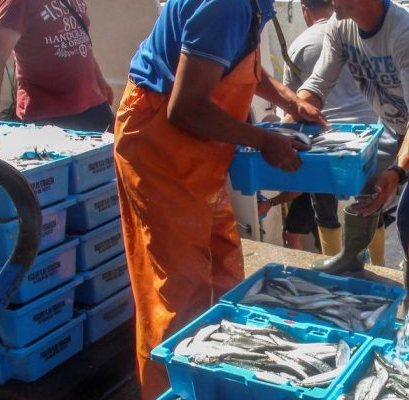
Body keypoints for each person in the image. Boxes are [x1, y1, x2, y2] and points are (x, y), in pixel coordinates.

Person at [113, 0, 326, 397]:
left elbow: (240, 63)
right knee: (177, 291)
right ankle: (169, 390)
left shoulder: (252, 5)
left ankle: (220, 381)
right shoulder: (227, 5)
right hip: (160, 142)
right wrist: (264, 140)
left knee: (225, 268)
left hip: (199, 152)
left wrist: (289, 100)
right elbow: (184, 108)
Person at [297, 0, 409, 287]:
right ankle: (351, 257)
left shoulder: (408, 32)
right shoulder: (340, 25)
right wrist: (287, 127)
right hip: (391, 122)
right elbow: (316, 85)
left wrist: (398, 172)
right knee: (365, 189)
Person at [260, 0, 383, 261]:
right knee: (373, 205)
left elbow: (291, 111)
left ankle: (335, 262)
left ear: (305, 9)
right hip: (370, 137)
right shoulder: (358, 32)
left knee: (325, 212)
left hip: (325, 141)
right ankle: (381, 268)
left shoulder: (299, 45)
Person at [0, 0, 115, 132]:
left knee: (113, 151)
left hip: (93, 104)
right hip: (49, 114)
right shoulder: (18, 3)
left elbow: (79, 41)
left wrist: (99, 79)